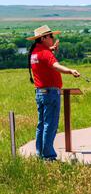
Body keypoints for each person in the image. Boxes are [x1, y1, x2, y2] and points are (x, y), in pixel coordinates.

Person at [27, 25, 81, 161]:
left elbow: (44, 59)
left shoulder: (35, 52)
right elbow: (55, 66)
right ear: (43, 38)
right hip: (50, 93)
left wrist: (50, 50)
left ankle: (40, 153)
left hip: (40, 92)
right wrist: (70, 71)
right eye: (50, 36)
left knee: (42, 124)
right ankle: (49, 156)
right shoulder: (45, 53)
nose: (53, 38)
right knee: (50, 125)